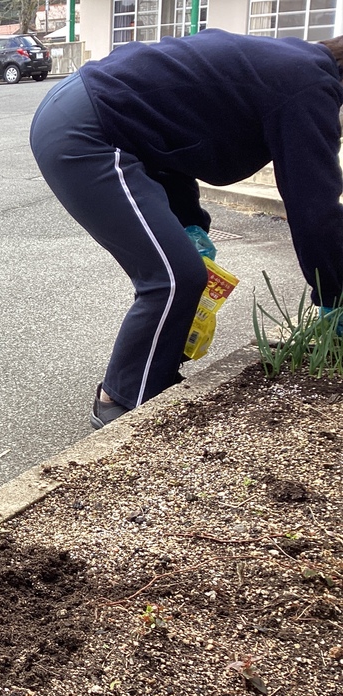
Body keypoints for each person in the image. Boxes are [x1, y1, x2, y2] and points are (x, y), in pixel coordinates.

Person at [29, 30, 343, 429]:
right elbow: (313, 204)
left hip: (95, 114)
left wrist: (191, 222)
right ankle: (124, 401)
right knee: (173, 277)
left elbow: (172, 128)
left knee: (185, 268)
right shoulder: (308, 85)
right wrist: (335, 293)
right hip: (88, 131)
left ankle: (153, 379)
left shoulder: (290, 62)